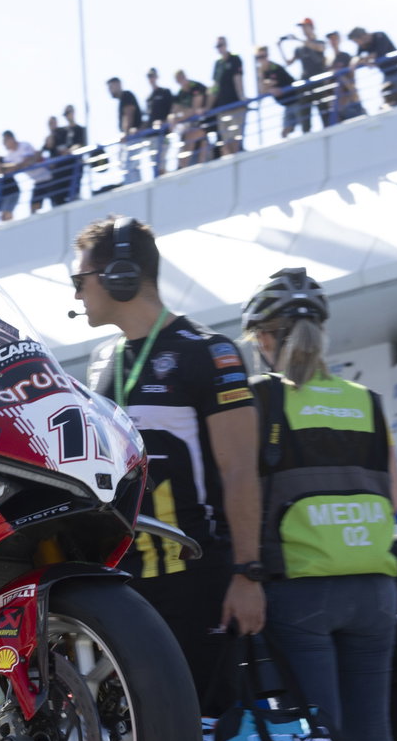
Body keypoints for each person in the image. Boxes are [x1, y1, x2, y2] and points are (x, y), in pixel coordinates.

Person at [239, 269, 397, 741]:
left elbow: (245, 496)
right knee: (372, 737)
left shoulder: (264, 400)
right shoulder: (368, 403)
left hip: (302, 589)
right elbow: (394, 493)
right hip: (375, 588)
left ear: (266, 340)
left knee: (320, 740)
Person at [73, 216, 261, 704]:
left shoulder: (209, 352)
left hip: (199, 583)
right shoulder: (101, 361)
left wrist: (248, 575)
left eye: (81, 280)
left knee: (207, 735)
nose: (77, 295)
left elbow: (241, 471)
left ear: (120, 275)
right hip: (126, 589)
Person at [348, 27, 397, 104]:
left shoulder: (380, 36)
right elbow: (356, 57)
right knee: (387, 94)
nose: (357, 44)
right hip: (387, 73)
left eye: (356, 41)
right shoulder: (363, 45)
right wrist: (358, 61)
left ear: (362, 37)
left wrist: (364, 60)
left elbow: (379, 53)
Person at [0, 130, 37, 222]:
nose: (4, 144)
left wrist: (14, 166)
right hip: (38, 181)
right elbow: (4, 169)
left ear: (11, 139)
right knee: (34, 208)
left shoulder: (24, 145)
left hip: (50, 176)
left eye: (5, 141)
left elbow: (26, 162)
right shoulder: (10, 155)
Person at [210, 36, 246, 154]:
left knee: (235, 138)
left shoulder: (235, 59)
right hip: (222, 107)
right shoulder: (218, 64)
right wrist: (208, 106)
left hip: (235, 104)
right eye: (218, 46)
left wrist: (242, 98)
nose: (220, 48)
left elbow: (238, 79)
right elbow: (215, 86)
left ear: (226, 45)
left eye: (221, 45)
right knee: (225, 141)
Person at [107, 77, 144, 185]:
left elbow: (129, 114)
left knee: (129, 165)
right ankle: (135, 185)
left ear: (118, 85)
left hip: (132, 137)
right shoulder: (123, 99)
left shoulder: (126, 96)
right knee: (128, 165)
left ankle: (135, 187)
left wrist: (125, 133)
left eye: (111, 87)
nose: (110, 90)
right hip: (129, 137)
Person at [143, 67, 175, 178]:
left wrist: (165, 122)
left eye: (152, 76)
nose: (151, 78)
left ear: (157, 77)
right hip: (151, 136)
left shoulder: (165, 92)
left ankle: (166, 181)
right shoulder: (148, 99)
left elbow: (172, 111)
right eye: (149, 76)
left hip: (164, 134)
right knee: (155, 165)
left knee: (161, 163)